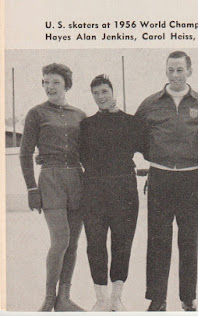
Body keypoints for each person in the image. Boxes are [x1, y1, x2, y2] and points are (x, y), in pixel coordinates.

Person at [135, 51, 198, 312]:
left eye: (180, 70)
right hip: (160, 177)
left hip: (191, 178)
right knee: (158, 240)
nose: (175, 75)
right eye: (171, 70)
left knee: (189, 240)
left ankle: (188, 297)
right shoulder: (150, 103)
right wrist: (157, 156)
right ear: (165, 71)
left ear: (189, 71)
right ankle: (157, 299)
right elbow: (138, 136)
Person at [19, 63, 86, 312]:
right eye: (46, 81)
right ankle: (49, 297)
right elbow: (25, 154)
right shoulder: (36, 113)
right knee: (60, 240)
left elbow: (88, 151)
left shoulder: (79, 114)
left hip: (77, 180)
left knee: (74, 242)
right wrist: (31, 189)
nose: (50, 86)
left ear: (66, 84)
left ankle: (64, 298)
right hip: (50, 180)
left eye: (55, 82)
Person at [79, 75, 147, 311]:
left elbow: (150, 149)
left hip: (124, 189)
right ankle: (101, 298)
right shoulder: (86, 125)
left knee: (122, 243)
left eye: (104, 91)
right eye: (96, 93)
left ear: (113, 91)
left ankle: (116, 297)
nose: (101, 97)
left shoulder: (131, 122)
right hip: (94, 190)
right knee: (95, 244)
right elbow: (80, 157)